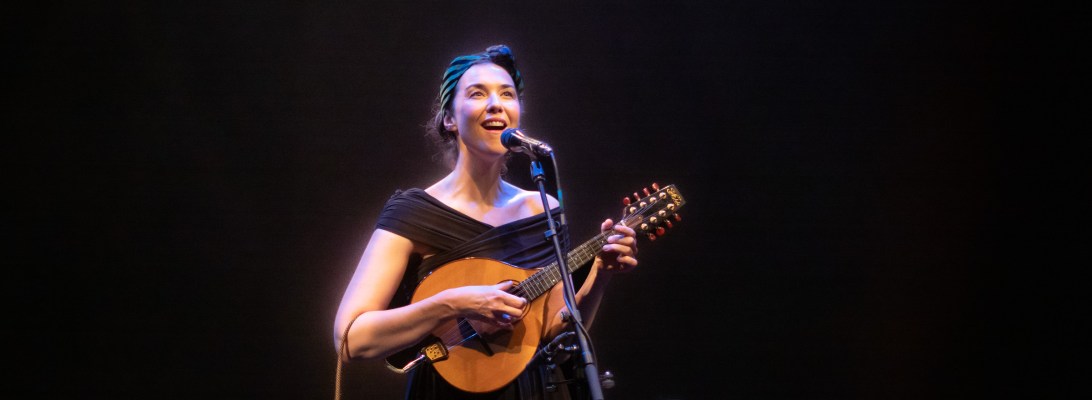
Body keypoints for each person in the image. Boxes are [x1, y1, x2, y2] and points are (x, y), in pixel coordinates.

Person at [333, 44, 638, 400]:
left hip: (533, 389)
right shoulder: (414, 211)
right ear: (449, 118)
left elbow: (556, 327)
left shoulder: (543, 207)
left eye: (507, 94)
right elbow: (350, 338)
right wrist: (452, 303)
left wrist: (600, 273)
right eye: (478, 93)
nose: (496, 103)